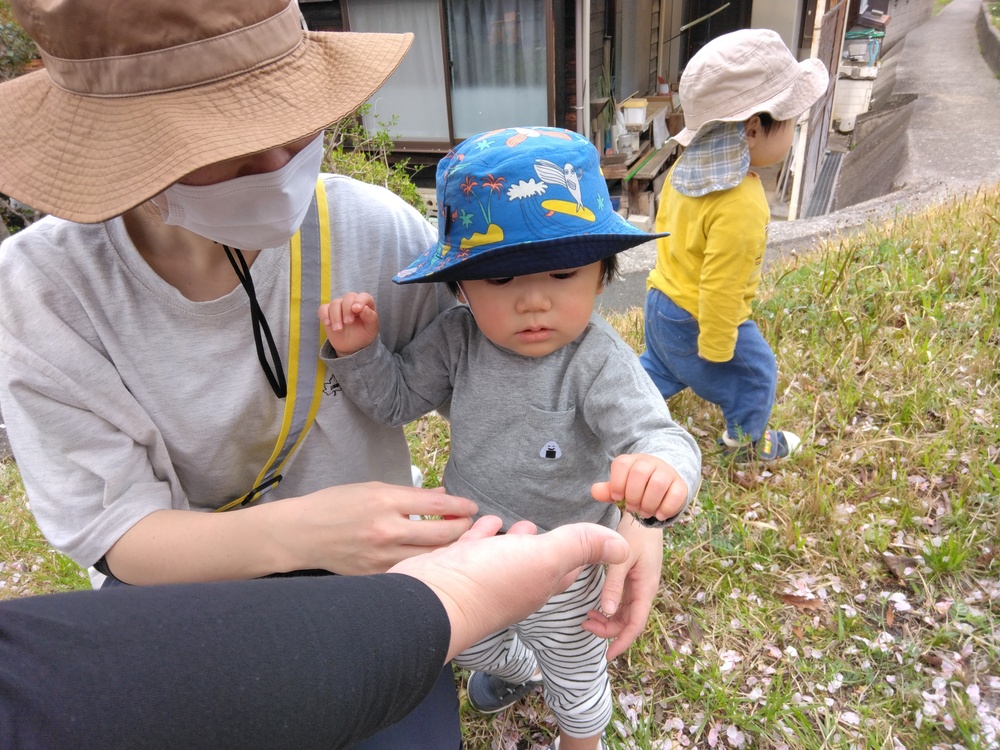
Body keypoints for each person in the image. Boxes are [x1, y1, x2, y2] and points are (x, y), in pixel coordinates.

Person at [0, 2, 675, 746]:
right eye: (224, 137)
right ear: (118, 141)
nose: (276, 163)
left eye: (290, 116)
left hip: (382, 580)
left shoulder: (373, 231)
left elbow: (520, 385)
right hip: (183, 597)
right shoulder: (43, 292)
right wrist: (304, 531)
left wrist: (639, 509)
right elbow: (118, 531)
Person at [320, 126, 703, 750]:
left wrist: (663, 472)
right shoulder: (456, 339)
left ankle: (578, 730)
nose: (532, 301)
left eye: (562, 272)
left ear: (601, 276)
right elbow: (396, 402)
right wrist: (360, 352)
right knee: (469, 642)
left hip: (568, 562)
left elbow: (657, 434)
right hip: (473, 544)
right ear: (461, 286)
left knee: (575, 673)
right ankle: (520, 669)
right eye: (499, 280)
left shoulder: (597, 360)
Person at [0, 517, 630, 750]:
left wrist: (649, 511)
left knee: (566, 665)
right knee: (483, 644)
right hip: (447, 580)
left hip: (519, 576)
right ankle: (519, 669)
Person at [641, 29, 829, 461]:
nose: (794, 130)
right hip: (699, 317)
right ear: (753, 129)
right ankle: (746, 445)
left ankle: (612, 407)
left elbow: (666, 232)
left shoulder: (683, 171)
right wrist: (718, 346)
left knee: (661, 366)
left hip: (661, 303)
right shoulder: (741, 202)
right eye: (790, 122)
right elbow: (722, 285)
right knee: (756, 375)